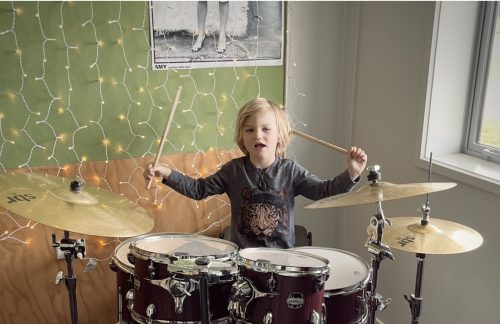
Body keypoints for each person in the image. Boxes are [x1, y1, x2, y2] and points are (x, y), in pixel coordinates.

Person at [145, 97, 367, 249]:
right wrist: (166, 172)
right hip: (244, 262)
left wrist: (351, 174)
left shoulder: (290, 171)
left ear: (280, 135)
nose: (257, 135)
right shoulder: (233, 170)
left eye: (265, 129)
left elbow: (323, 190)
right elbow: (198, 189)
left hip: (282, 263)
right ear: (242, 137)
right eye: (250, 130)